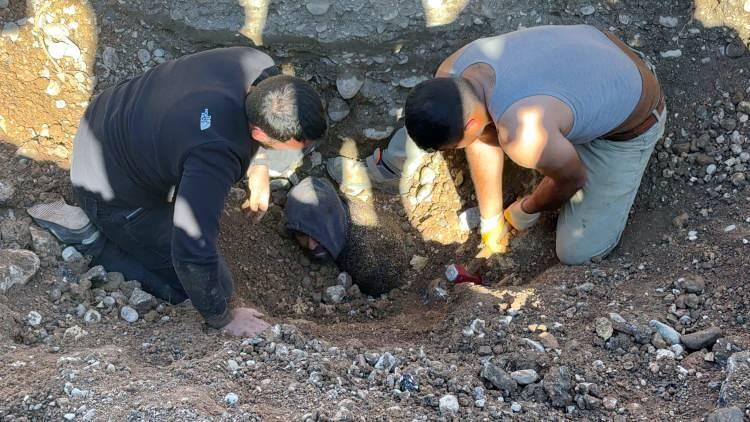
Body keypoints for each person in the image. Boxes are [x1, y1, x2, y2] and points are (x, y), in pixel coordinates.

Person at [328, 25, 666, 265]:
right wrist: (491, 219)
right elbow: (481, 138)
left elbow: (571, 180)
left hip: (631, 121)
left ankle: (589, 134)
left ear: (472, 124)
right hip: (596, 51)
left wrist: (526, 210)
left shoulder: (524, 135)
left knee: (576, 252)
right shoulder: (454, 70)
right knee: (461, 127)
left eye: (453, 146)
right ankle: (572, 126)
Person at [66, 47, 327, 336]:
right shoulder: (214, 154)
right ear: (259, 134)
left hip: (109, 114)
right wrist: (222, 317)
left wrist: (259, 164)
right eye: (301, 145)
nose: (305, 151)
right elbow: (190, 248)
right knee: (209, 288)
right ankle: (92, 242)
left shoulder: (258, 65)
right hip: (107, 190)